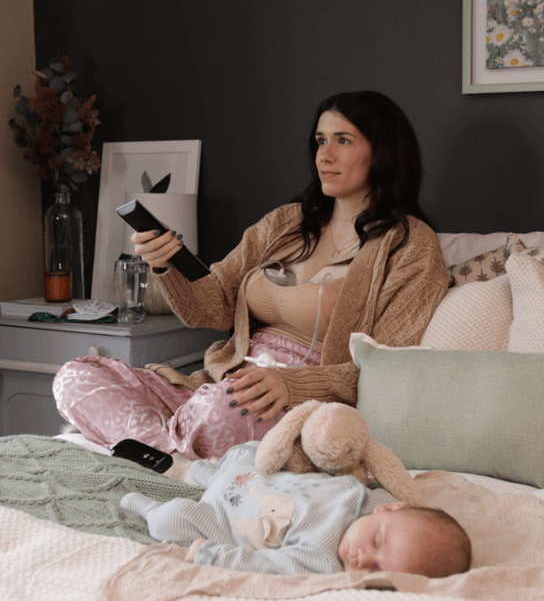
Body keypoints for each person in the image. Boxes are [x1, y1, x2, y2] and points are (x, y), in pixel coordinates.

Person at [53, 90, 448, 459]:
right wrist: (165, 264)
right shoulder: (286, 222)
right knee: (75, 376)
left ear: (384, 153)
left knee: (215, 408)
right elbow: (211, 308)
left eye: (343, 140)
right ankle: (168, 455)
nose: (324, 155)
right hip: (225, 385)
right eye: (320, 140)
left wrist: (292, 385)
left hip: (296, 406)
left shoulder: (410, 245)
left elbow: (389, 366)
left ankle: (157, 447)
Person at [121, 441, 471, 577]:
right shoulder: (370, 499)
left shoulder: (322, 559)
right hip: (255, 480)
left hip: (224, 520)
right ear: (391, 509)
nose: (364, 558)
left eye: (378, 569)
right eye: (377, 543)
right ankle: (190, 467)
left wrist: (215, 557)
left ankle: (145, 506)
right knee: (245, 456)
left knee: (174, 519)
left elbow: (271, 565)